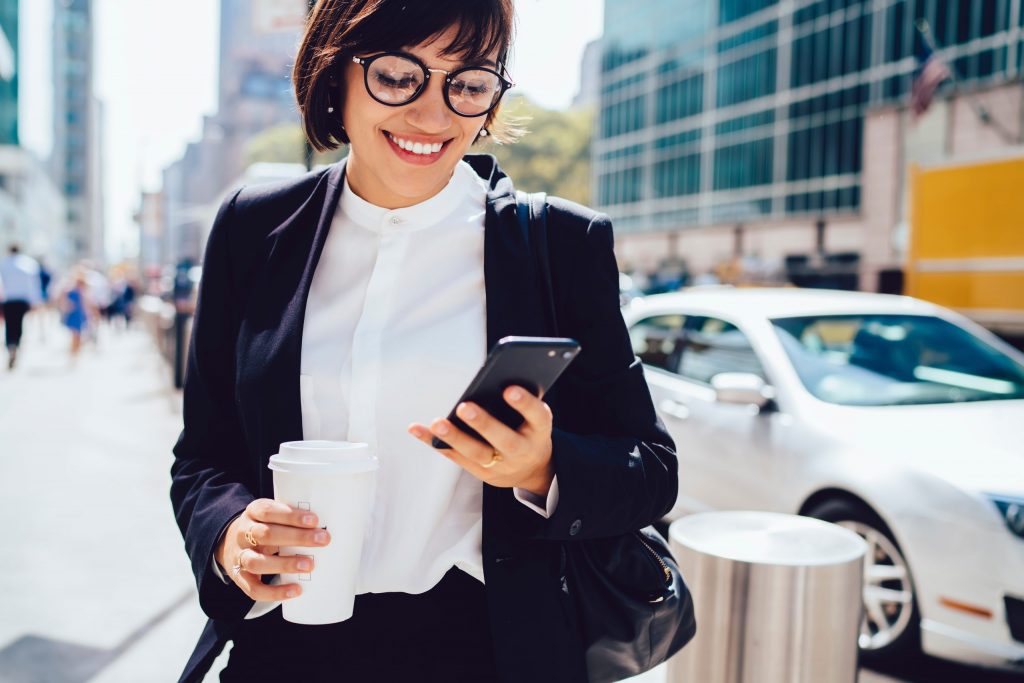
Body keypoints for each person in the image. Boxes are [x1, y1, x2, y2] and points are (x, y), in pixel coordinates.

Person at [170, 2, 677, 681]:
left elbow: (652, 470)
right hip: (281, 643)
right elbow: (202, 457)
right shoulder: (252, 229)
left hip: (484, 650)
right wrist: (232, 535)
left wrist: (543, 467)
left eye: (467, 83)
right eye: (397, 76)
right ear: (334, 72)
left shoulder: (561, 245)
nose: (433, 116)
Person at [0, 245, 43, 369]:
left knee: (9, 324)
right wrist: (36, 301)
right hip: (22, 300)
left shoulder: (4, 263)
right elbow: (33, 284)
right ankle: (16, 345)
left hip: (8, 299)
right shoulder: (28, 264)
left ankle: (10, 345)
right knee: (19, 324)